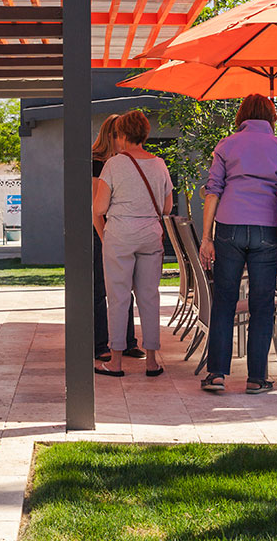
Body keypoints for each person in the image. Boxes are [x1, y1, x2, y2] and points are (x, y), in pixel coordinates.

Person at [198, 95, 277, 395]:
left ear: (242, 115)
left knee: (225, 301)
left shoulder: (226, 145)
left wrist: (206, 237)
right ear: (271, 116)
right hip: (267, 230)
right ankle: (257, 378)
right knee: (262, 304)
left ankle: (216, 374)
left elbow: (213, 190)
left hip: (229, 227)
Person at [92, 110, 172, 377]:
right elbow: (167, 205)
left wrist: (106, 239)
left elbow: (99, 207)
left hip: (120, 235)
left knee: (118, 297)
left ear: (123, 135)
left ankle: (115, 361)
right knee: (149, 297)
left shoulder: (113, 165)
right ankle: (151, 361)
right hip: (151, 234)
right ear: (145, 135)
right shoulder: (159, 164)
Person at [90, 115, 142, 362]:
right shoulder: (96, 164)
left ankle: (128, 341)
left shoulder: (124, 163)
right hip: (100, 232)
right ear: (113, 136)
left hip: (122, 234)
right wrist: (103, 239)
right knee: (100, 290)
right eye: (123, 135)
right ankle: (100, 344)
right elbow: (94, 208)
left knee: (124, 288)